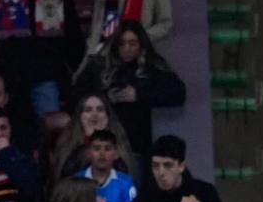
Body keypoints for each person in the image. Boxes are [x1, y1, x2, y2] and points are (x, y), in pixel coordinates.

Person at [74, 20, 185, 158]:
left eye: (132, 43)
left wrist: (138, 95)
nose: (127, 48)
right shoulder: (99, 65)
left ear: (141, 44)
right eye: (122, 43)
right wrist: (105, 99)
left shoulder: (151, 65)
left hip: (134, 145)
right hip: (99, 143)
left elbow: (178, 93)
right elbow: (76, 96)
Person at [50, 92, 134, 183]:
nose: (95, 114)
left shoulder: (119, 144)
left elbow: (120, 176)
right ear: (80, 116)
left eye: (100, 109)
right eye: (88, 110)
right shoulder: (67, 143)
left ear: (107, 116)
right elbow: (67, 176)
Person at [78, 128, 134, 202]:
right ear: (88, 153)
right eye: (96, 148)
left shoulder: (126, 183)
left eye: (107, 149)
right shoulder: (77, 180)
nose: (102, 154)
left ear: (116, 153)